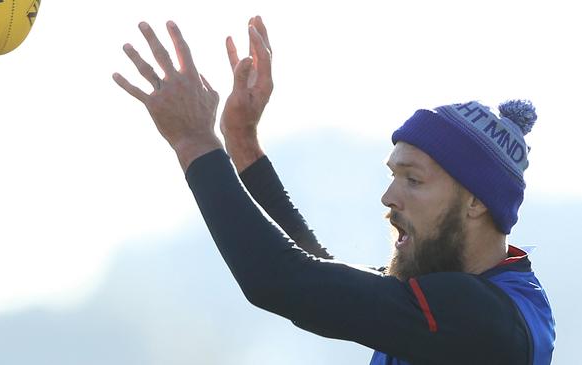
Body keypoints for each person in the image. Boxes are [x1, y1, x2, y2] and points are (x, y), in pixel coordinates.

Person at [112, 16, 555, 365]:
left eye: (413, 180)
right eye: (393, 175)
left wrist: (195, 141)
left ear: (477, 200)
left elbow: (287, 282)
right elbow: (318, 277)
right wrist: (242, 143)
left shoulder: (485, 320)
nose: (388, 198)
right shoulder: (461, 294)